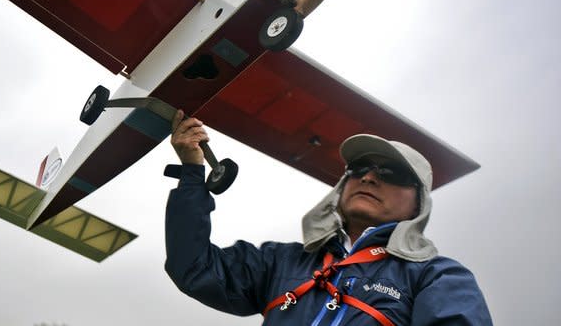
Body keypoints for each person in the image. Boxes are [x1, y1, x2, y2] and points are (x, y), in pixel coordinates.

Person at [165, 111, 492, 325]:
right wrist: (193, 171)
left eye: (389, 173)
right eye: (359, 169)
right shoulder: (282, 261)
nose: (368, 179)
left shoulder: (438, 277)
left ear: (419, 203)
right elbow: (194, 269)